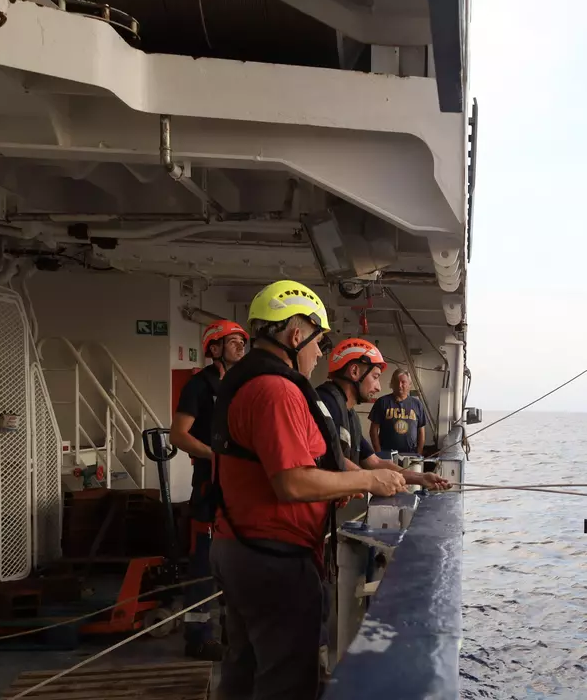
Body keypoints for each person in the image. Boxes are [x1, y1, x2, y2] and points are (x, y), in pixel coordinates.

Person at [208, 279, 407, 700]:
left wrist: (345, 481)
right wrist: (371, 479)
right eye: (319, 341)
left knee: (243, 671)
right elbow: (293, 482)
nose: (320, 353)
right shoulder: (276, 390)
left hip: (241, 548)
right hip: (271, 559)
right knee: (285, 680)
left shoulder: (249, 381)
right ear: (296, 335)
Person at [170, 318, 246, 661]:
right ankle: (198, 637)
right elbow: (179, 434)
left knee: (237, 563)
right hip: (209, 485)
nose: (240, 346)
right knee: (204, 563)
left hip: (240, 487)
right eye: (233, 341)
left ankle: (233, 633)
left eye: (242, 341)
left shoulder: (244, 385)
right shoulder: (200, 386)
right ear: (214, 349)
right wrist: (213, 455)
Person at [315, 338, 449, 490]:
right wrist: (374, 481)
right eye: (375, 377)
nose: (378, 387)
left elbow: (375, 462)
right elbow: (334, 458)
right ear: (354, 372)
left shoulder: (350, 416)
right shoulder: (325, 406)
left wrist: (420, 478)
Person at [367, 367, 430, 463]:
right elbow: (373, 431)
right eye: (397, 382)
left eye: (403, 382)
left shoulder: (417, 404)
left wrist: (419, 454)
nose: (400, 385)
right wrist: (379, 453)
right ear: (392, 383)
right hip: (387, 456)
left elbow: (421, 432)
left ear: (409, 384)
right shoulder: (382, 402)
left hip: (410, 456)